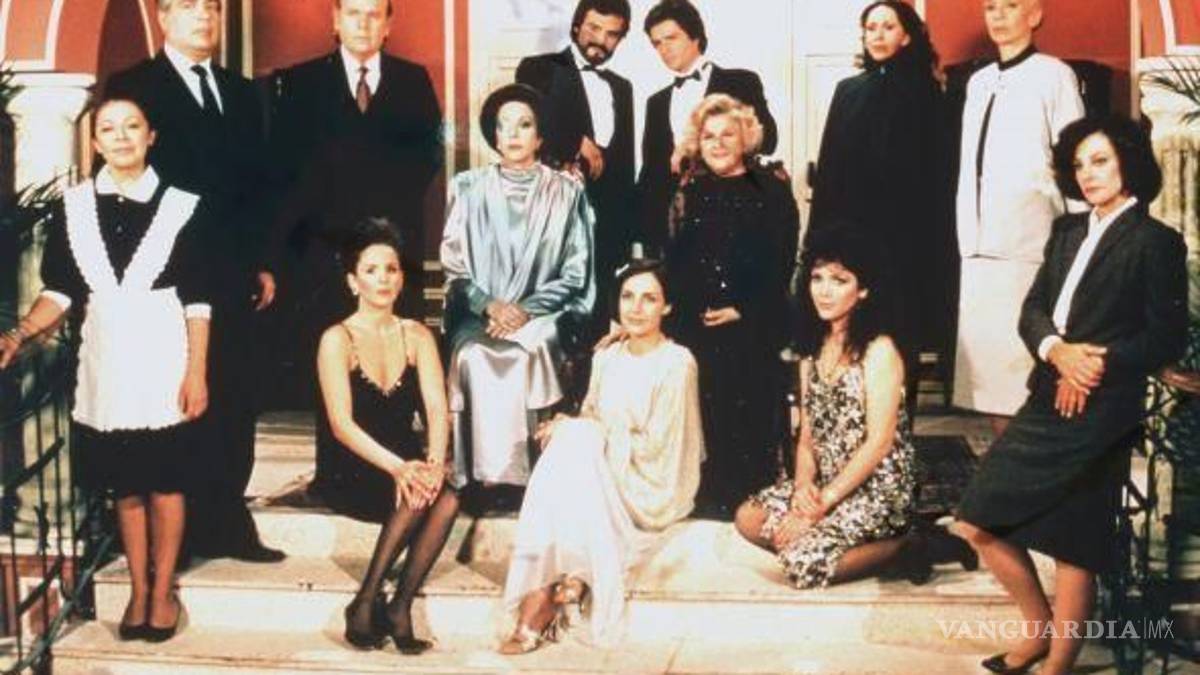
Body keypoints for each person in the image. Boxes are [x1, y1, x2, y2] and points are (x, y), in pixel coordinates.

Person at [953, 115, 1187, 675]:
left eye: (1100, 160)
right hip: (1047, 394)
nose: (1087, 174)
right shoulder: (1066, 231)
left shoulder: (1157, 242)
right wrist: (1058, 351)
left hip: (1104, 409)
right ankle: (1038, 630)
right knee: (976, 520)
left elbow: (1164, 337)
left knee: (1075, 541)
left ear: (1129, 161)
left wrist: (1094, 362)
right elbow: (1033, 311)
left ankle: (1058, 664)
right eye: (1079, 164)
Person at [0, 98, 211, 642]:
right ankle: (138, 589)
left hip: (164, 356)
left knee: (165, 481)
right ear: (94, 143)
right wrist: (19, 334)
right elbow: (60, 291)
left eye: (132, 126)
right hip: (107, 360)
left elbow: (198, 301)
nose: (121, 137)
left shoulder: (182, 206)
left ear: (150, 135)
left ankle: (162, 590)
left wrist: (196, 373)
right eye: (109, 129)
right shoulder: (73, 208)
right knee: (127, 486)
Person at [105, 0, 283, 562]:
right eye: (189, 6)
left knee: (234, 397)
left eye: (211, 7)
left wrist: (262, 261)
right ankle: (174, 537)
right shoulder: (135, 85)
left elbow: (261, 184)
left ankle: (228, 522)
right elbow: (123, 178)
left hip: (231, 272)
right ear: (163, 18)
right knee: (172, 400)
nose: (204, 16)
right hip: (164, 271)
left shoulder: (242, 92)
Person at [498, 259, 703, 653]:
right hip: (603, 467)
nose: (636, 308)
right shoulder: (607, 356)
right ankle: (561, 583)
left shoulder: (677, 363)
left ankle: (542, 598)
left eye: (649, 299)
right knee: (570, 441)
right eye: (628, 297)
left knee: (573, 442)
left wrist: (580, 431)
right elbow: (591, 413)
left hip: (650, 484)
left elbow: (661, 447)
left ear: (667, 306)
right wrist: (572, 426)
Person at [267, 0, 443, 417]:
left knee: (394, 370)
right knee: (333, 377)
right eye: (353, 14)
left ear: (388, 24)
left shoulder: (413, 80)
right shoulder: (301, 82)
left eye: (373, 15)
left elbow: (428, 158)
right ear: (336, 20)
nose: (363, 24)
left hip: (394, 248)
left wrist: (380, 234)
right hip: (323, 253)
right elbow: (286, 168)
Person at [733, 228, 918, 590]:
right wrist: (803, 490)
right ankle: (826, 542)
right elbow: (807, 437)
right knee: (747, 517)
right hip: (826, 484)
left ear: (863, 289)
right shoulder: (812, 348)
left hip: (877, 489)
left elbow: (879, 443)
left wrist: (822, 504)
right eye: (817, 278)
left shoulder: (880, 349)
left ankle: (907, 545)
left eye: (839, 280)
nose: (824, 290)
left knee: (803, 564)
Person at [439, 83, 595, 489]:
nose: (512, 134)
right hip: (481, 315)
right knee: (473, 355)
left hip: (545, 314)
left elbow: (576, 273)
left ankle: (533, 477)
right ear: (493, 135)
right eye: (503, 125)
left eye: (524, 125)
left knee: (530, 352)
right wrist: (491, 305)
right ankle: (480, 476)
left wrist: (526, 310)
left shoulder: (567, 192)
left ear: (540, 136)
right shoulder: (467, 187)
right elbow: (454, 265)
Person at [316, 218, 458, 654]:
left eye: (392, 269)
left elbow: (437, 408)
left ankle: (399, 604)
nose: (384, 279)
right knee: (414, 489)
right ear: (352, 281)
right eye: (371, 270)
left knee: (448, 496)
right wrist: (399, 468)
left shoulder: (417, 334)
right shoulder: (336, 338)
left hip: (406, 460)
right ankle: (365, 599)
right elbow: (341, 425)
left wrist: (434, 464)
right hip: (354, 464)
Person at [953, 0, 1084, 436]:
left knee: (1021, 379)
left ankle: (1026, 470)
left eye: (1010, 5)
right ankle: (1002, 468)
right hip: (977, 246)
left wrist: (1079, 234)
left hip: (1029, 243)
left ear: (1034, 15)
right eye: (991, 7)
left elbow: (1074, 157)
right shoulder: (979, 82)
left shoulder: (1054, 75)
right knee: (988, 383)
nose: (998, 15)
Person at [807, 0, 942, 419]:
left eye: (888, 27)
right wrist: (817, 242)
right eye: (871, 28)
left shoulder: (927, 93)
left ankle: (895, 433)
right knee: (847, 334)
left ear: (907, 35)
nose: (878, 35)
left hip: (903, 244)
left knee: (899, 336)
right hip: (850, 240)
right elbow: (828, 169)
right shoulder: (847, 91)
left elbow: (934, 178)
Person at [665, 93, 798, 517]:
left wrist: (742, 308)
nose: (718, 144)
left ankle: (748, 494)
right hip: (695, 320)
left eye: (728, 135)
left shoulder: (772, 191)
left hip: (755, 318)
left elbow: (782, 261)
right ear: (697, 143)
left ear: (746, 139)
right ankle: (702, 491)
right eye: (709, 136)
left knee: (746, 378)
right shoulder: (689, 191)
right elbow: (674, 262)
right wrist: (689, 310)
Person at [516, 0, 635, 335]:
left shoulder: (622, 87)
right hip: (553, 219)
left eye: (612, 34)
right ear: (577, 26)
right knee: (550, 322)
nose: (601, 40)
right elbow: (527, 116)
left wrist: (626, 236)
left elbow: (625, 165)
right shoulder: (538, 68)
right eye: (594, 28)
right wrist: (574, 141)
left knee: (598, 323)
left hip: (606, 227)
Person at [638, 0, 778, 253]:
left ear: (695, 36)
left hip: (734, 218)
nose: (664, 49)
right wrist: (646, 239)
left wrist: (695, 147)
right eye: (657, 43)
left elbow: (769, 140)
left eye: (671, 38)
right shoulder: (656, 103)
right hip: (676, 230)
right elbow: (651, 174)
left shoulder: (740, 82)